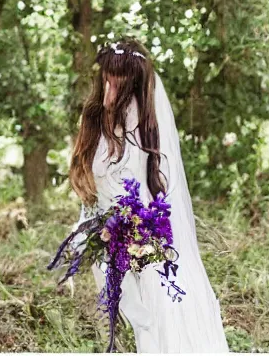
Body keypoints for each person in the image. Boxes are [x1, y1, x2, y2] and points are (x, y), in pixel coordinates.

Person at [67, 38, 229, 352]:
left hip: (141, 232)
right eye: (107, 80)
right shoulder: (96, 120)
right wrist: (90, 229)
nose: (110, 90)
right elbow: (92, 181)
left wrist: (133, 231)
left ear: (134, 84)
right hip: (109, 228)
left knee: (160, 306)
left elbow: (147, 186)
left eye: (119, 83)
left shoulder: (141, 125)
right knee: (139, 313)